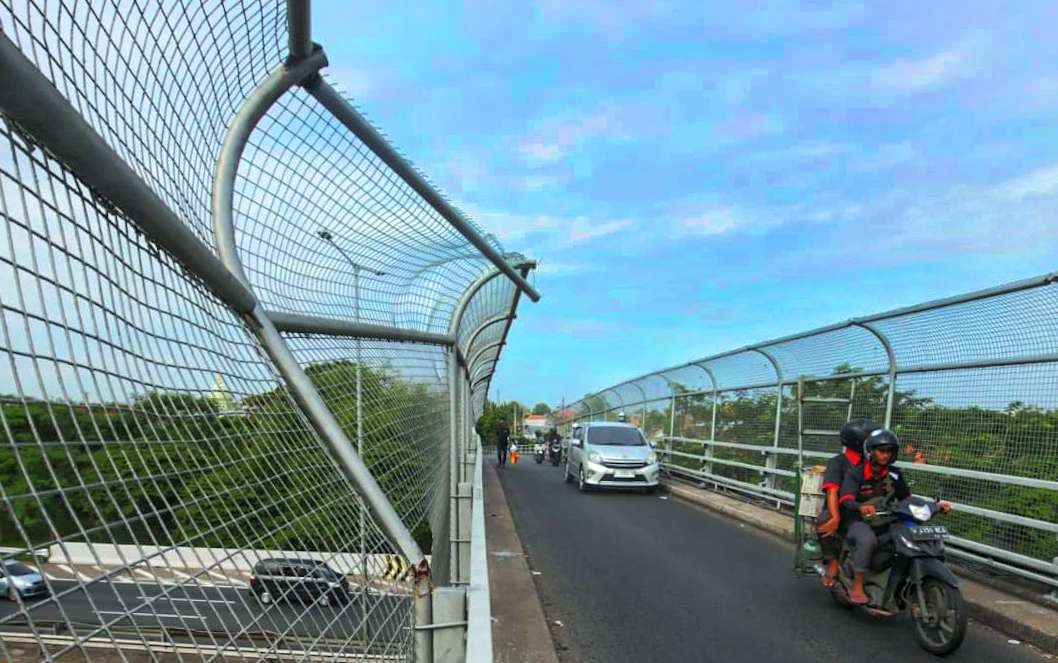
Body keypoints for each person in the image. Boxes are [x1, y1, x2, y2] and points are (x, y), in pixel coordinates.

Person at [839, 428, 951, 606]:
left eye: (889, 451)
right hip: (858, 521)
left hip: (887, 519)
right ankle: (858, 586)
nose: (885, 455)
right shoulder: (857, 473)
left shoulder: (895, 474)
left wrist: (935, 506)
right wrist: (861, 506)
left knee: (909, 537)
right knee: (867, 540)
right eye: (881, 451)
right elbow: (846, 498)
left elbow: (907, 498)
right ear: (871, 451)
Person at [816, 418, 879, 587]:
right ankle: (832, 562)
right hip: (842, 509)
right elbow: (832, 491)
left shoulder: (871, 462)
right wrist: (835, 518)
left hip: (864, 508)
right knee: (824, 520)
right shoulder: (838, 462)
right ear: (860, 443)